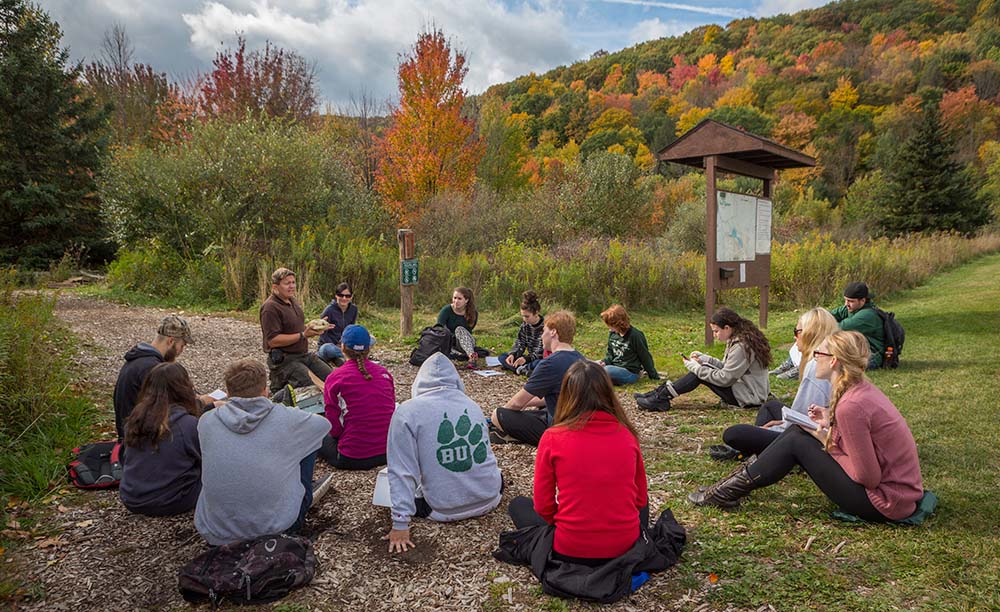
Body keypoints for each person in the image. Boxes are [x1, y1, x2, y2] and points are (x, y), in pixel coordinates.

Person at [689, 331, 924, 523]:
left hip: (883, 502)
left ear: (833, 360)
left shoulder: (852, 405)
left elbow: (868, 478)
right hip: (899, 495)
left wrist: (827, 441)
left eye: (818, 354)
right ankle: (726, 490)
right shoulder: (859, 390)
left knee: (797, 439)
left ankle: (724, 492)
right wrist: (830, 421)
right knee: (798, 431)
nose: (814, 358)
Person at [195, 358, 331, 545]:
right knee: (308, 443)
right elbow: (323, 426)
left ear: (228, 393)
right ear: (265, 391)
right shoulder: (288, 418)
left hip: (215, 532)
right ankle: (301, 498)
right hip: (277, 527)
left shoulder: (206, 422)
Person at [383, 353, 503, 553]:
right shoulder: (471, 405)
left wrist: (400, 524)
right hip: (491, 497)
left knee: (394, 485)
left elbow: (402, 471)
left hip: (441, 509)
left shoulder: (407, 412)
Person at [711, 308, 838, 460]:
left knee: (733, 434)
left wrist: (781, 426)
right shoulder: (829, 358)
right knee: (770, 407)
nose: (794, 337)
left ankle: (757, 453)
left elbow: (806, 420)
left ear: (810, 334)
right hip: (817, 426)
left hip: (808, 438)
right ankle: (754, 451)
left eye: (797, 331)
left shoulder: (816, 367)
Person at [635, 308, 770, 412]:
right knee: (702, 370)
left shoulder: (741, 345)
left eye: (716, 331)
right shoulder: (738, 338)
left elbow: (725, 378)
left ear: (727, 328)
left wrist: (697, 369)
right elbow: (728, 368)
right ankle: (658, 395)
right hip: (747, 391)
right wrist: (706, 359)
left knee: (699, 374)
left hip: (750, 397)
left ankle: (661, 397)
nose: (714, 335)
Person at [490, 311, 586, 446]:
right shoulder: (582, 359)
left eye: (543, 331)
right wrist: (528, 404)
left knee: (498, 414)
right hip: (579, 422)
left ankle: (514, 435)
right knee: (539, 409)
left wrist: (501, 415)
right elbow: (560, 396)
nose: (541, 336)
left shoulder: (549, 363)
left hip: (560, 429)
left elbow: (516, 403)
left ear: (553, 332)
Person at [119, 362, 202, 516]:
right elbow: (207, 460)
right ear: (183, 388)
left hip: (131, 498)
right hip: (169, 501)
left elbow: (124, 456)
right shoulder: (187, 425)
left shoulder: (135, 418)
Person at [113, 314, 212, 441]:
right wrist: (205, 403)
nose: (181, 351)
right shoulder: (151, 368)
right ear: (171, 341)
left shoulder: (139, 360)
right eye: (182, 346)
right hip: (141, 441)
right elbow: (173, 411)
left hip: (133, 434)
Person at [320, 325, 395, 470]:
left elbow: (334, 426)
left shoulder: (335, 377)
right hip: (387, 451)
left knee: (315, 432)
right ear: (369, 348)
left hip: (352, 456)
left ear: (342, 347)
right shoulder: (384, 374)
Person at [260, 267, 333, 395]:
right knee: (316, 388)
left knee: (334, 379)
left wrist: (316, 327)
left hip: (304, 355)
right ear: (275, 287)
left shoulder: (292, 300)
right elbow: (272, 341)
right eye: (287, 283)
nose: (292, 286)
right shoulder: (270, 308)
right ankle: (280, 393)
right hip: (285, 360)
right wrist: (303, 335)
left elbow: (296, 328)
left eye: (293, 282)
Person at [598, 304, 659, 386]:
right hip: (614, 367)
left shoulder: (635, 335)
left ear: (619, 324)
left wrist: (654, 376)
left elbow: (645, 357)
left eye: (611, 326)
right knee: (592, 368)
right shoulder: (613, 334)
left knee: (605, 371)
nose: (609, 328)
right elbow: (610, 354)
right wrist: (604, 362)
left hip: (630, 372)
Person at [830, 281, 885, 369]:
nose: (846, 304)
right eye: (845, 300)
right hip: (857, 353)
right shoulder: (852, 308)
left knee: (831, 364)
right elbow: (828, 316)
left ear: (862, 300)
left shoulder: (867, 316)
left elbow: (838, 328)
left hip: (870, 358)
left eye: (850, 301)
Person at [498, 290, 545, 376]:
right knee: (502, 357)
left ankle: (520, 368)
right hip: (528, 358)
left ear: (536, 313)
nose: (524, 319)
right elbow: (520, 342)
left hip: (539, 359)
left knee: (540, 364)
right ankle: (523, 369)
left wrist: (526, 359)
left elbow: (542, 350)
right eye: (522, 316)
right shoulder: (525, 325)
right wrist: (513, 354)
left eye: (527, 316)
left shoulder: (546, 326)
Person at [437, 286, 481, 366]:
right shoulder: (446, 310)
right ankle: (460, 354)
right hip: (450, 342)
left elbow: (470, 329)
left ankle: (472, 356)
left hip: (466, 342)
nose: (456, 301)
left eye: (459, 299)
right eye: (454, 298)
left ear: (466, 300)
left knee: (459, 329)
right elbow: (439, 327)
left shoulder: (473, 313)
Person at [316, 282, 357, 367]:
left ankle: (340, 358)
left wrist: (344, 343)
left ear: (351, 297)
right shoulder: (329, 310)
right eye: (341, 295)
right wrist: (338, 346)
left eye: (347, 296)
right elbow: (322, 335)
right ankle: (350, 357)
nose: (344, 298)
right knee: (327, 349)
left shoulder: (354, 309)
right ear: (336, 296)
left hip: (343, 345)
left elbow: (350, 329)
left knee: (371, 339)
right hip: (328, 345)